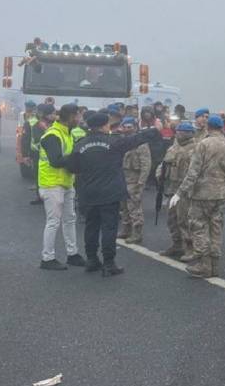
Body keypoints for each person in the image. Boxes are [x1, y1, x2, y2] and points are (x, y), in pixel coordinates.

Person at [67, 111, 161, 276]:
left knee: (91, 227)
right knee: (109, 228)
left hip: (88, 193)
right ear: (105, 126)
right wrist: (156, 129)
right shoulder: (114, 142)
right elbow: (135, 139)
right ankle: (109, 263)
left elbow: (73, 167)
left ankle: (91, 260)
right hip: (109, 192)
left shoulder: (80, 144)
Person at [172, 115, 225, 278]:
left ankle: (204, 264)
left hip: (202, 194)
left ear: (208, 127)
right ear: (222, 128)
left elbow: (193, 173)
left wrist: (180, 192)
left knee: (199, 227)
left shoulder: (203, 144)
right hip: (220, 193)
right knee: (216, 228)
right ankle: (214, 265)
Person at [37, 103, 86, 270]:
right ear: (71, 117)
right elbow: (56, 161)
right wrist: (77, 156)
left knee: (69, 219)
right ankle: (47, 258)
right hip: (52, 184)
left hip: (65, 182)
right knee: (53, 222)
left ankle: (72, 254)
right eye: (78, 116)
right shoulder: (53, 135)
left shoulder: (67, 133)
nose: (80, 119)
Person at [157, 121, 197, 259]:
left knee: (184, 220)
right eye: (179, 131)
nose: (179, 134)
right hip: (172, 187)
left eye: (183, 132)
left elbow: (194, 172)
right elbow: (163, 164)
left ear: (190, 133)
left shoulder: (195, 149)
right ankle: (177, 245)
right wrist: (160, 175)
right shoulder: (173, 148)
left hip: (185, 190)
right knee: (172, 218)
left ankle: (190, 248)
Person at [117, 117, 152, 244]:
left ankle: (137, 233)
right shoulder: (121, 141)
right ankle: (126, 229)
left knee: (134, 207)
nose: (127, 129)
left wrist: (141, 182)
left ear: (135, 127)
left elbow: (146, 164)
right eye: (125, 127)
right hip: (123, 177)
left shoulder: (141, 143)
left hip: (135, 179)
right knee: (124, 207)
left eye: (130, 127)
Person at [30, 104, 55, 205]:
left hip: (51, 155)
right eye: (53, 113)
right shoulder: (39, 125)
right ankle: (40, 197)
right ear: (47, 115)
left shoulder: (55, 124)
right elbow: (38, 140)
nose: (54, 115)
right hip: (39, 155)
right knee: (39, 177)